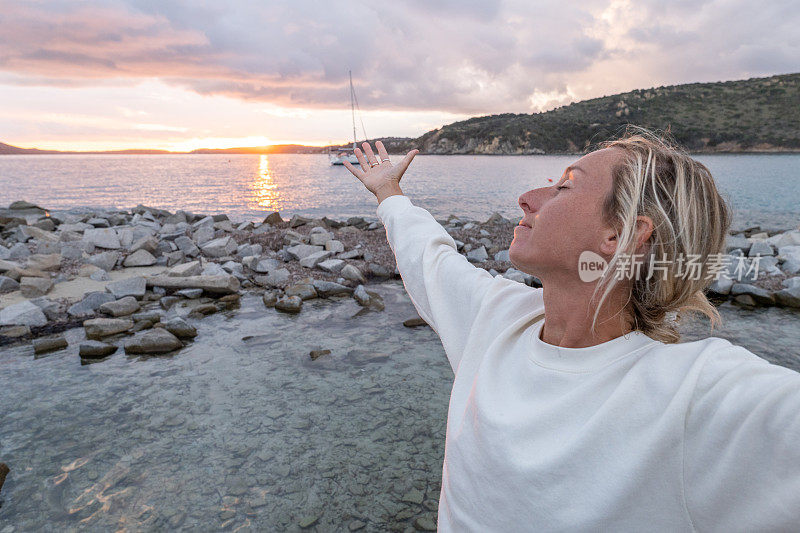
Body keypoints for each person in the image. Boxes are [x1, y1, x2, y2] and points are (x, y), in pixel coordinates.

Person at [342, 129, 800, 532]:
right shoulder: (496, 317)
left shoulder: (695, 394)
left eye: (564, 186)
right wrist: (389, 193)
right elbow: (429, 257)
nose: (526, 198)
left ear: (619, 237)